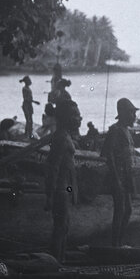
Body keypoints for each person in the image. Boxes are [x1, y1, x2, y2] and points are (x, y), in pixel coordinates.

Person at [45, 100, 82, 261]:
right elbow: (52, 167)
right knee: (61, 227)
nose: (78, 119)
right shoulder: (61, 137)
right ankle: (56, 261)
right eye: (74, 115)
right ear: (64, 117)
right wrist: (50, 195)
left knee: (64, 225)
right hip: (60, 189)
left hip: (65, 187)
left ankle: (60, 258)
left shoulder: (64, 135)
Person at [101, 98, 140, 247]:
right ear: (123, 114)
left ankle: (119, 241)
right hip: (118, 175)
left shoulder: (127, 131)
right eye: (131, 113)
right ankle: (115, 244)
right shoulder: (115, 130)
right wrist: (116, 179)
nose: (134, 116)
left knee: (128, 210)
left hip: (127, 175)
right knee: (120, 210)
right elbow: (108, 154)